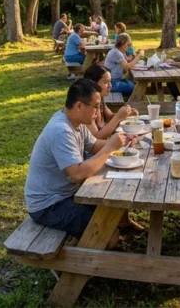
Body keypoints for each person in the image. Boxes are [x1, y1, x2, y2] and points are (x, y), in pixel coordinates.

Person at [24, 79, 136, 239]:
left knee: (114, 206)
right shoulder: (61, 131)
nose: (98, 113)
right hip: (49, 205)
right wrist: (111, 147)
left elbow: (95, 144)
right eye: (96, 107)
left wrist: (122, 142)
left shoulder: (76, 122)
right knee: (108, 236)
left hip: (67, 194)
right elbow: (77, 174)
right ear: (79, 106)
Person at [82, 64, 138, 139]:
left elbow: (109, 117)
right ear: (93, 84)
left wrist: (126, 114)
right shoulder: (86, 106)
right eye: (105, 82)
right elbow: (96, 138)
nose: (110, 86)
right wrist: (118, 117)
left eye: (110, 82)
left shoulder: (100, 100)